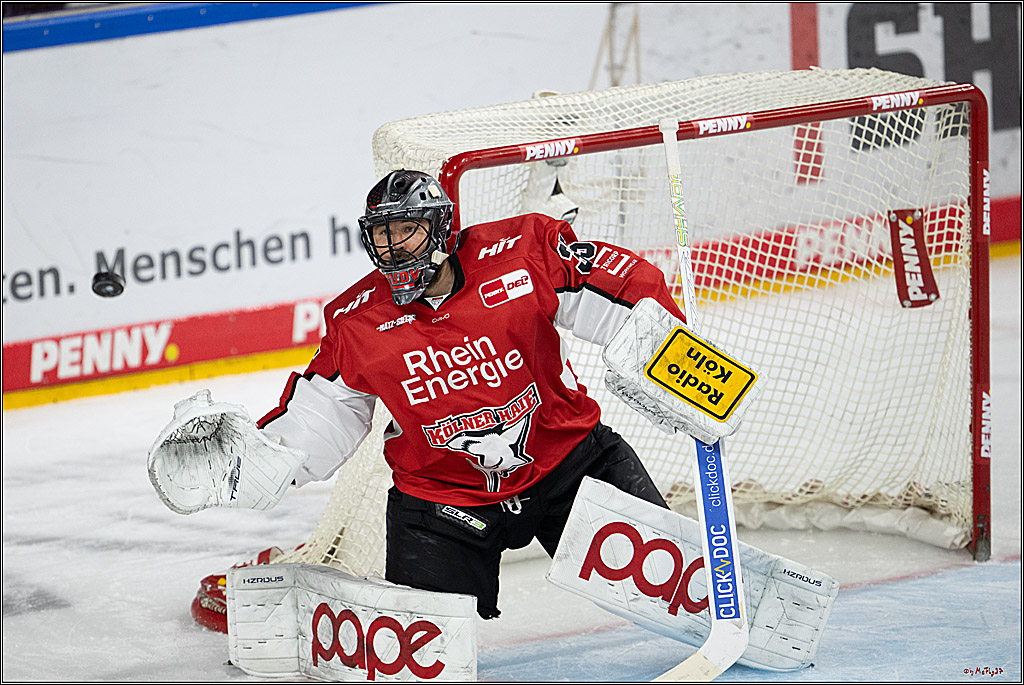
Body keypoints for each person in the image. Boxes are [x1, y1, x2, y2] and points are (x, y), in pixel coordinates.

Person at [253, 169, 688, 620]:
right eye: (383, 233)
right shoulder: (356, 321)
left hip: (569, 464)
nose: (394, 245)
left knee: (678, 592)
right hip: (442, 499)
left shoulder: (524, 252)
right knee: (425, 646)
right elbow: (323, 415)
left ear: (441, 227)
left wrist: (680, 362)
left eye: (408, 229)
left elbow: (627, 290)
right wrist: (256, 464)